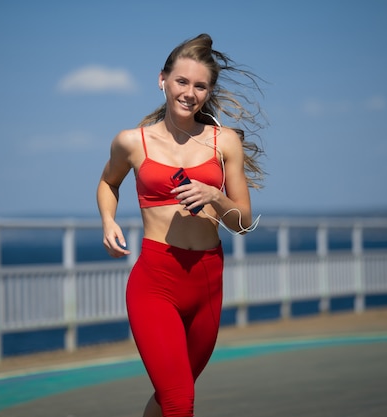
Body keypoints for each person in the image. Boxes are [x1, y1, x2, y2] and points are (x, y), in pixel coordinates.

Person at [96, 33, 265, 417]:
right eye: (182, 82)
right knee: (178, 401)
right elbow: (108, 182)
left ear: (209, 92)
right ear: (163, 80)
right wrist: (108, 221)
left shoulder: (225, 143)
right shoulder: (131, 142)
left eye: (200, 86)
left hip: (207, 281)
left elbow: (243, 224)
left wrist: (215, 197)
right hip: (156, 280)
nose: (190, 92)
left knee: (172, 396)